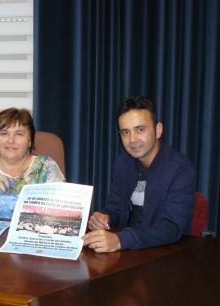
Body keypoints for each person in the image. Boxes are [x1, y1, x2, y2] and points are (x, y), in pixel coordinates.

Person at [82, 96, 196, 252]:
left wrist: (121, 240)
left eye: (140, 130)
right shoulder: (123, 163)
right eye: (125, 132)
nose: (132, 140)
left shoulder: (181, 170)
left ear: (158, 130)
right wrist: (104, 218)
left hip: (166, 254)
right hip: (127, 251)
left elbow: (172, 227)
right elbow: (114, 208)